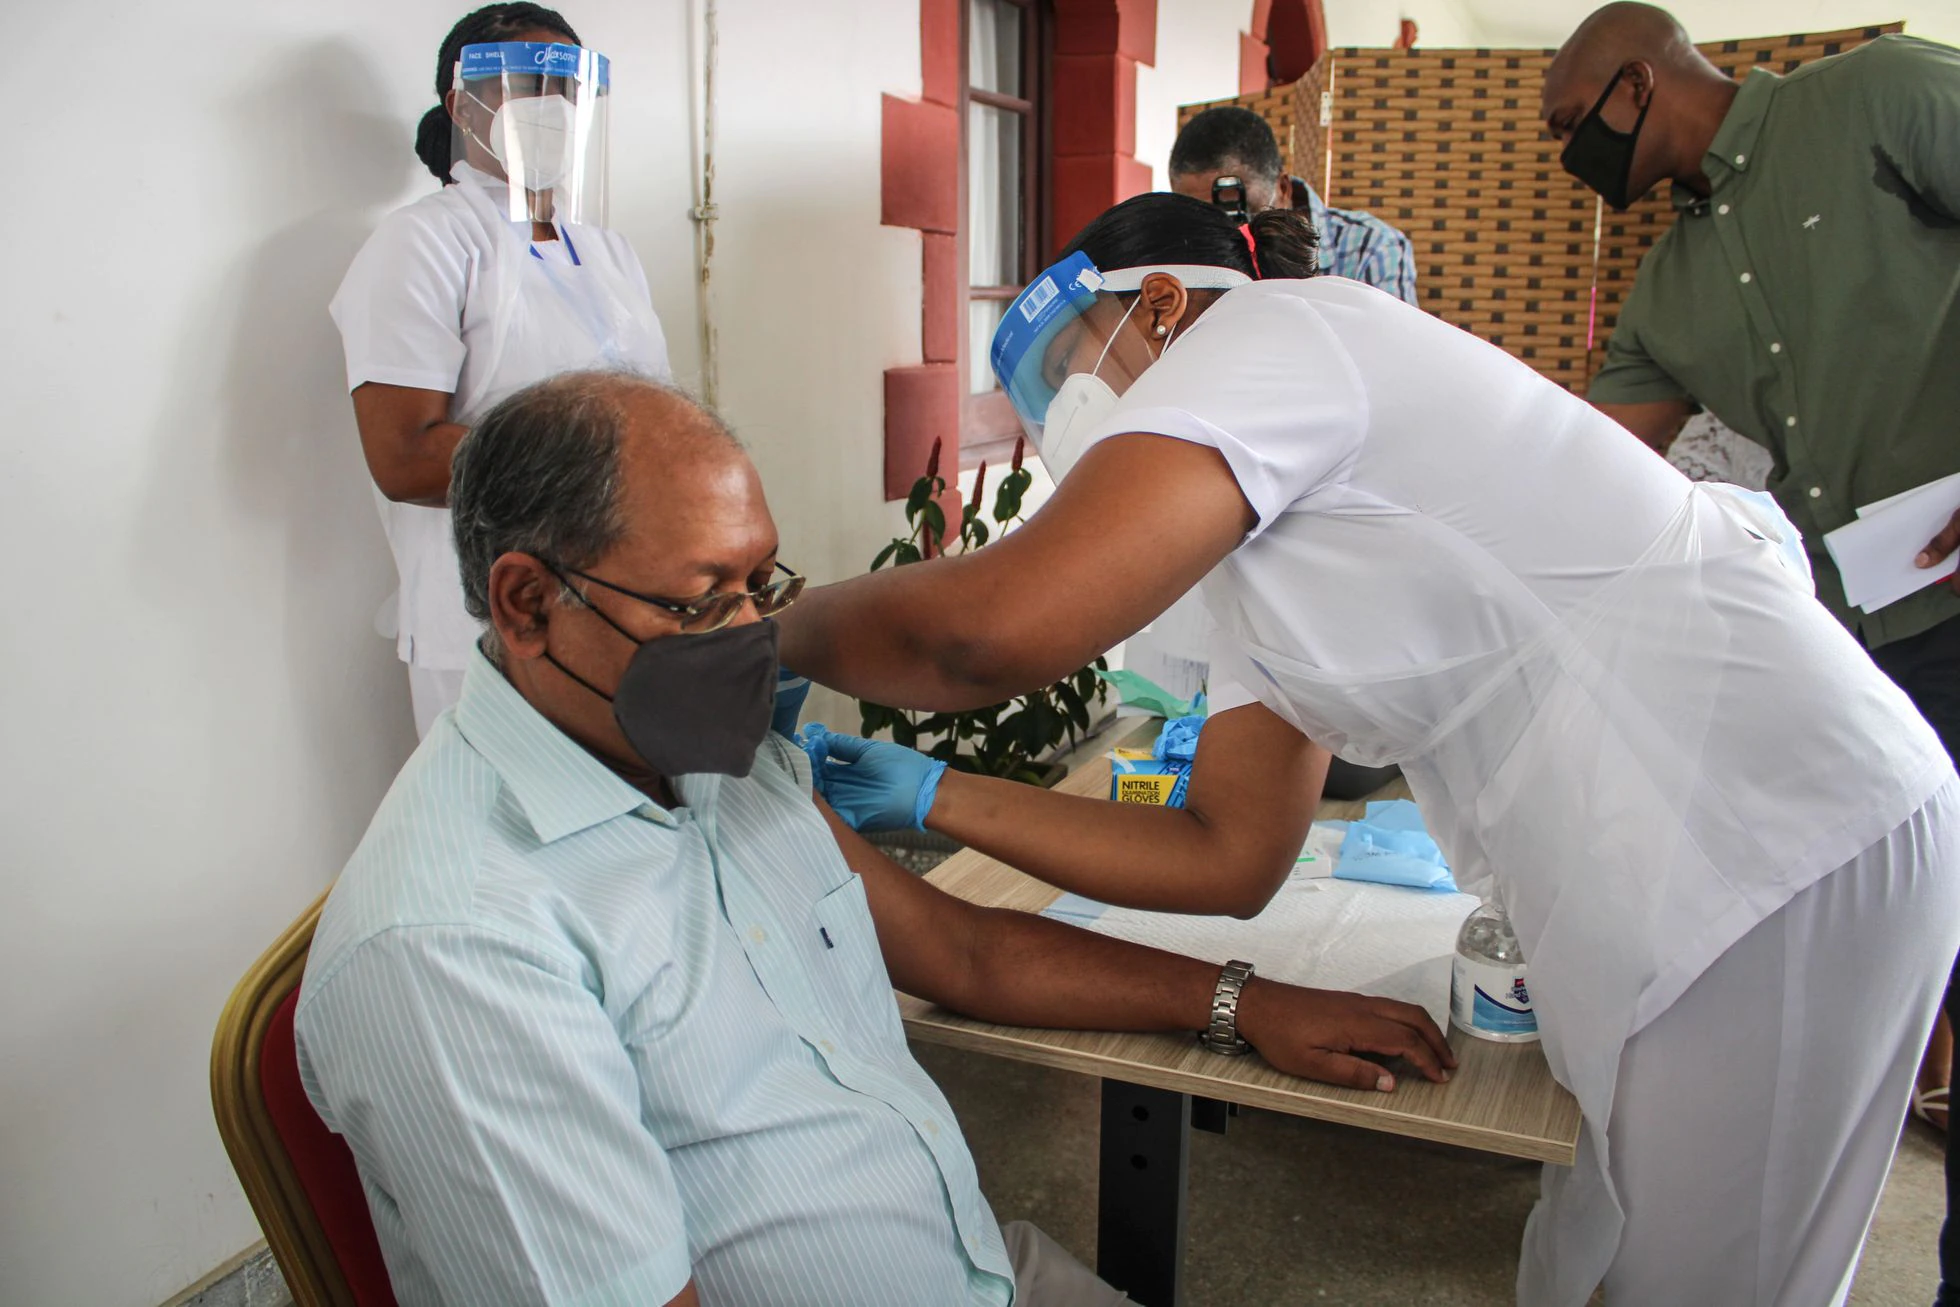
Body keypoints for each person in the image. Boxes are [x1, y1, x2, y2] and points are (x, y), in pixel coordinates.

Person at [774, 191, 1960, 1307]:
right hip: (1655, 871)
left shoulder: (1290, 333)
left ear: (1162, 305)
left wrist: (774, 633)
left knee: (1704, 1280)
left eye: (1063, 366)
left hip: (1767, 831)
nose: (1059, 413)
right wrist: (940, 794)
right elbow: (1227, 852)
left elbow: (991, 631)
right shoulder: (1249, 532)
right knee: (1592, 1248)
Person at [294, 371, 1454, 1307]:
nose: (752, 633)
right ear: (526, 602)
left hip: (974, 1264)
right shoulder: (457, 945)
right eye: (702, 599)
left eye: (762, 582)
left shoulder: (710, 759)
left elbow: (963, 954)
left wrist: (1239, 1001)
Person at [1541, 7, 1960, 1299]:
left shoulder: (1879, 97)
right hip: (1882, 641)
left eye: (1570, 128)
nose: (1570, 159)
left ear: (1639, 79)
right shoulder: (1671, 288)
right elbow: (1574, 469)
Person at [331, 3, 670, 737]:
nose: (550, 109)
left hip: (623, 602)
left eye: (565, 92)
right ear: (463, 105)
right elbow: (403, 457)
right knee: (505, 844)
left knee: (624, 838)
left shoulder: (609, 254)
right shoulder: (424, 243)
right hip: (484, 626)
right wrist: (605, 452)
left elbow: (658, 419)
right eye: (524, 85)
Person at [1169, 105, 1418, 306]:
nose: (1223, 232)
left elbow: (1395, 361)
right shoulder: (1180, 256)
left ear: (1283, 188)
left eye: (1237, 214)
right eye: (1201, 217)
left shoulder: (1370, 248)